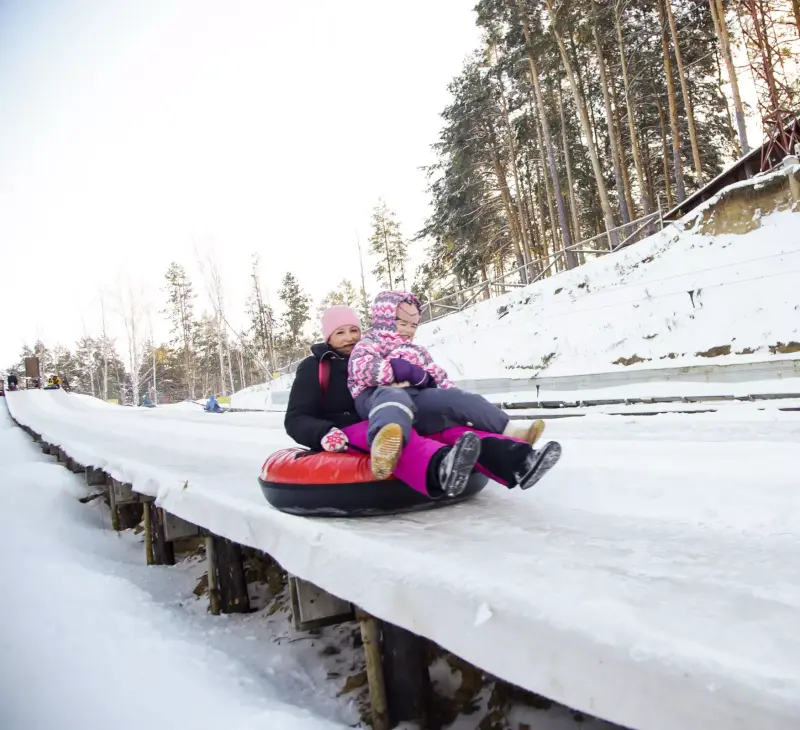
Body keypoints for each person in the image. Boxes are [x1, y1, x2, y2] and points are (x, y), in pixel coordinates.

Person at [347, 290, 560, 490]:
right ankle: (386, 447)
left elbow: (438, 377)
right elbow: (360, 368)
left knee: (459, 399)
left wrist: (443, 392)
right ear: (384, 321)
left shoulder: (418, 351)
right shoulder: (371, 343)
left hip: (416, 396)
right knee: (393, 399)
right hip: (376, 395)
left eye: (413, 325)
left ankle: (513, 431)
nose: (407, 330)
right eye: (402, 323)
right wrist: (395, 370)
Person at [284, 305, 481, 498]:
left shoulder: (376, 356)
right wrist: (324, 432)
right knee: (393, 436)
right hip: (346, 429)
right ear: (328, 337)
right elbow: (296, 418)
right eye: (340, 333)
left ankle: (492, 455)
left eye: (354, 330)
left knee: (428, 426)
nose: (349, 338)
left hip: (390, 412)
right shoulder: (315, 367)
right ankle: (440, 467)